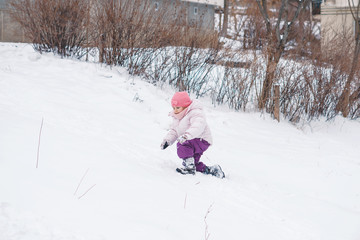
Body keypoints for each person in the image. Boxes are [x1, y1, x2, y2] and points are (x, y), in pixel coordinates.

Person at [160, 91, 225, 178]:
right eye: (173, 107)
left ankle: (189, 168)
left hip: (201, 139)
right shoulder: (178, 116)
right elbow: (174, 131)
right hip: (193, 140)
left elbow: (198, 126)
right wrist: (167, 140)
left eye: (178, 108)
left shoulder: (195, 112)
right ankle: (212, 170)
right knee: (193, 162)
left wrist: (187, 135)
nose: (175, 110)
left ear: (185, 106)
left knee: (182, 144)